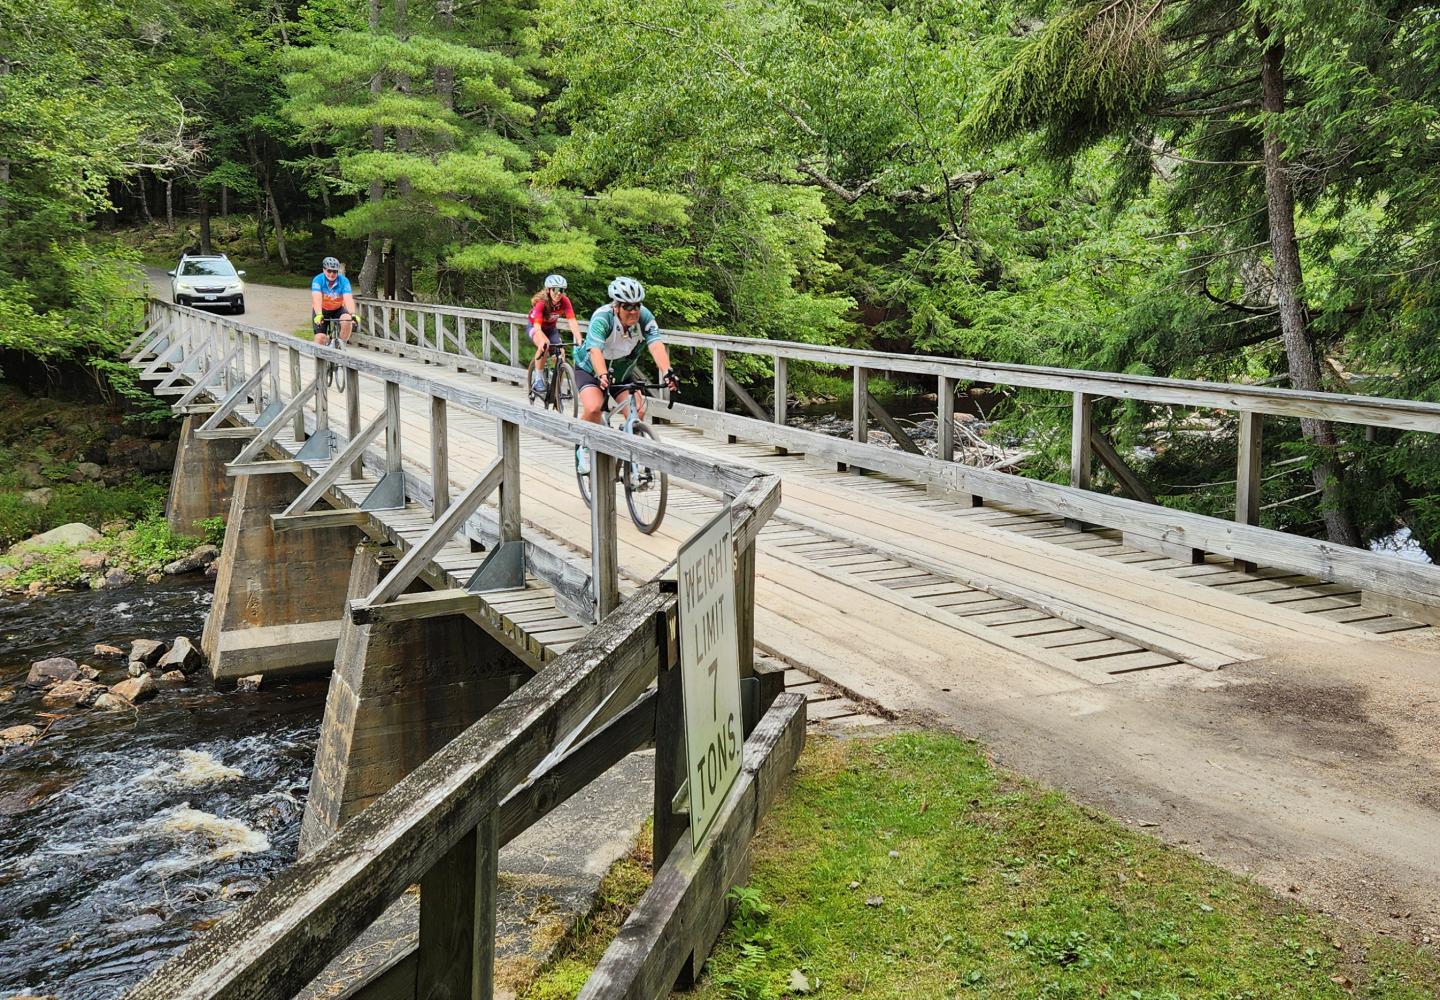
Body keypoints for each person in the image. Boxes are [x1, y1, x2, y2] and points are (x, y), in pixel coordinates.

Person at [573, 276, 679, 475]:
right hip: (591, 370)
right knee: (594, 407)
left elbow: (656, 345)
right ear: (617, 307)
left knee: (637, 411)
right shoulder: (602, 317)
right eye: (628, 307)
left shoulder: (645, 317)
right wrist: (602, 373)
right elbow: (595, 350)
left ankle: (629, 450)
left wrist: (667, 372)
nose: (633, 311)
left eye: (637, 306)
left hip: (622, 374)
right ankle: (583, 447)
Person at [528, 274, 583, 395]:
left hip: (551, 329)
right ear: (548, 290)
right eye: (555, 289)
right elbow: (537, 326)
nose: (558, 293)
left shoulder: (564, 301)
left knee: (561, 354)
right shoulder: (542, 303)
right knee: (544, 346)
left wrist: (579, 339)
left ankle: (556, 388)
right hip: (535, 327)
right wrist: (543, 340)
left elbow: (572, 321)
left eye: (561, 290)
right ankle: (538, 379)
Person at [311, 256, 357, 345]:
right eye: (329, 271)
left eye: (335, 271)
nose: (331, 274)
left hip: (337, 308)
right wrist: (319, 314)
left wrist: (352, 314)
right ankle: (318, 358)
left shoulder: (343, 281)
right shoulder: (318, 280)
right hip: (322, 309)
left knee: (347, 319)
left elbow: (348, 298)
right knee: (320, 338)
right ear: (324, 270)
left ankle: (341, 345)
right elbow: (316, 299)